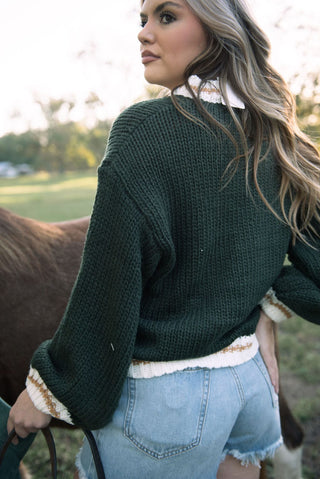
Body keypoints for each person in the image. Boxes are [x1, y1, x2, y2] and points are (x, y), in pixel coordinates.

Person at [6, 0, 320, 478]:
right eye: (142, 19)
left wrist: (48, 389)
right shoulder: (276, 134)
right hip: (250, 387)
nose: (143, 33)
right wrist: (273, 297)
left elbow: (106, 290)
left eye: (166, 16)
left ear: (217, 30)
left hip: (166, 405)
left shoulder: (141, 132)